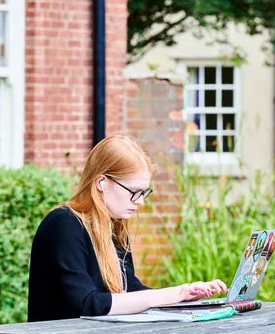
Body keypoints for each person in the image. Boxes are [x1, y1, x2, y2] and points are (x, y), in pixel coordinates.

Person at [27, 135, 227, 322]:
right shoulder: (64, 224)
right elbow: (86, 303)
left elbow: (129, 290)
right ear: (101, 183)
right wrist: (170, 294)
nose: (139, 201)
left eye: (143, 193)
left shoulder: (113, 225)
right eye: (134, 192)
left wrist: (184, 296)